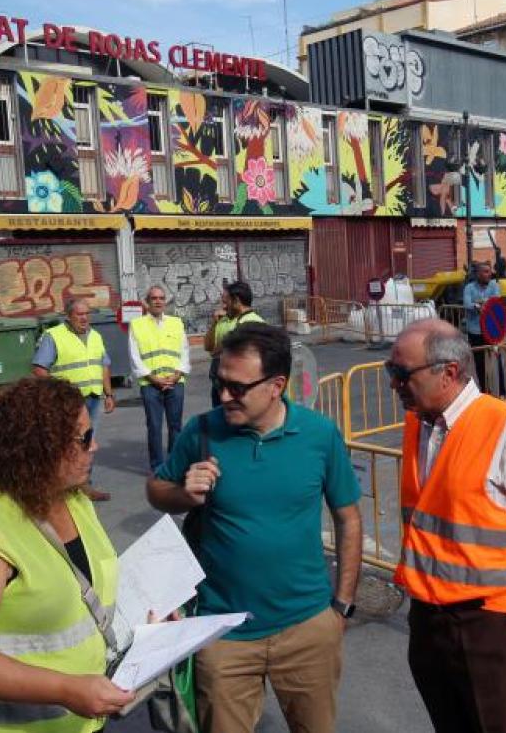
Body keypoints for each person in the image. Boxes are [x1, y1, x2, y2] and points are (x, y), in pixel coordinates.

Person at [147, 323, 363, 733]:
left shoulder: (319, 435)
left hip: (308, 629)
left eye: (238, 387)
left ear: (277, 384)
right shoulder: (203, 431)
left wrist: (341, 606)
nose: (224, 395)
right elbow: (156, 489)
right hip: (224, 635)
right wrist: (184, 495)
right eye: (220, 382)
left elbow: (348, 518)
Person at [386, 318, 506, 733]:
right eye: (390, 372)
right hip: (430, 619)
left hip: (492, 625)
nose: (393, 385)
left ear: (448, 373)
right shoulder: (419, 421)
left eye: (401, 375)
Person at [0, 377, 135, 731]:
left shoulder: (73, 498)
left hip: (82, 722)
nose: (95, 446)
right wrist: (67, 690)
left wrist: (145, 622)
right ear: (40, 447)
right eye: (83, 438)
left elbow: (91, 592)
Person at [33, 298, 115, 501]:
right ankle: (62, 488)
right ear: (68, 316)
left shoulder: (95, 336)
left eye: (87, 314)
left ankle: (85, 486)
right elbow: (39, 369)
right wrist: (60, 392)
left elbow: (104, 365)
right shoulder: (53, 336)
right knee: (66, 442)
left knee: (88, 444)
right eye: (79, 314)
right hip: (68, 402)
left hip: (93, 397)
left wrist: (109, 394)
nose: (84, 318)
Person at [129, 285, 189, 474]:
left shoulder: (176, 323)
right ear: (147, 302)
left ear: (165, 301)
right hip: (150, 384)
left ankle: (174, 463)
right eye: (154, 298)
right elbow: (134, 356)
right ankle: (157, 466)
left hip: (175, 382)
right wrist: (153, 378)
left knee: (176, 425)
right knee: (154, 426)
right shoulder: (137, 325)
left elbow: (184, 351)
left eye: (161, 298)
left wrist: (178, 374)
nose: (158, 301)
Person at [202, 280, 265, 408]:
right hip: (219, 382)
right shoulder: (224, 320)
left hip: (239, 385)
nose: (223, 306)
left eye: (226, 302)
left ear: (236, 300)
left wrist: (218, 351)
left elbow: (236, 351)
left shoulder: (253, 321)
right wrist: (214, 323)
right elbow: (208, 346)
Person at [462, 261, 501, 392]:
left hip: (491, 330)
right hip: (475, 330)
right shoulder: (469, 288)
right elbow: (467, 304)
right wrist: (480, 305)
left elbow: (496, 302)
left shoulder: (494, 285)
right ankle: (485, 391)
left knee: (496, 360)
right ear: (478, 274)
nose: (489, 274)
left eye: (489, 271)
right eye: (485, 272)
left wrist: (478, 304)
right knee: (479, 363)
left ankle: (501, 390)